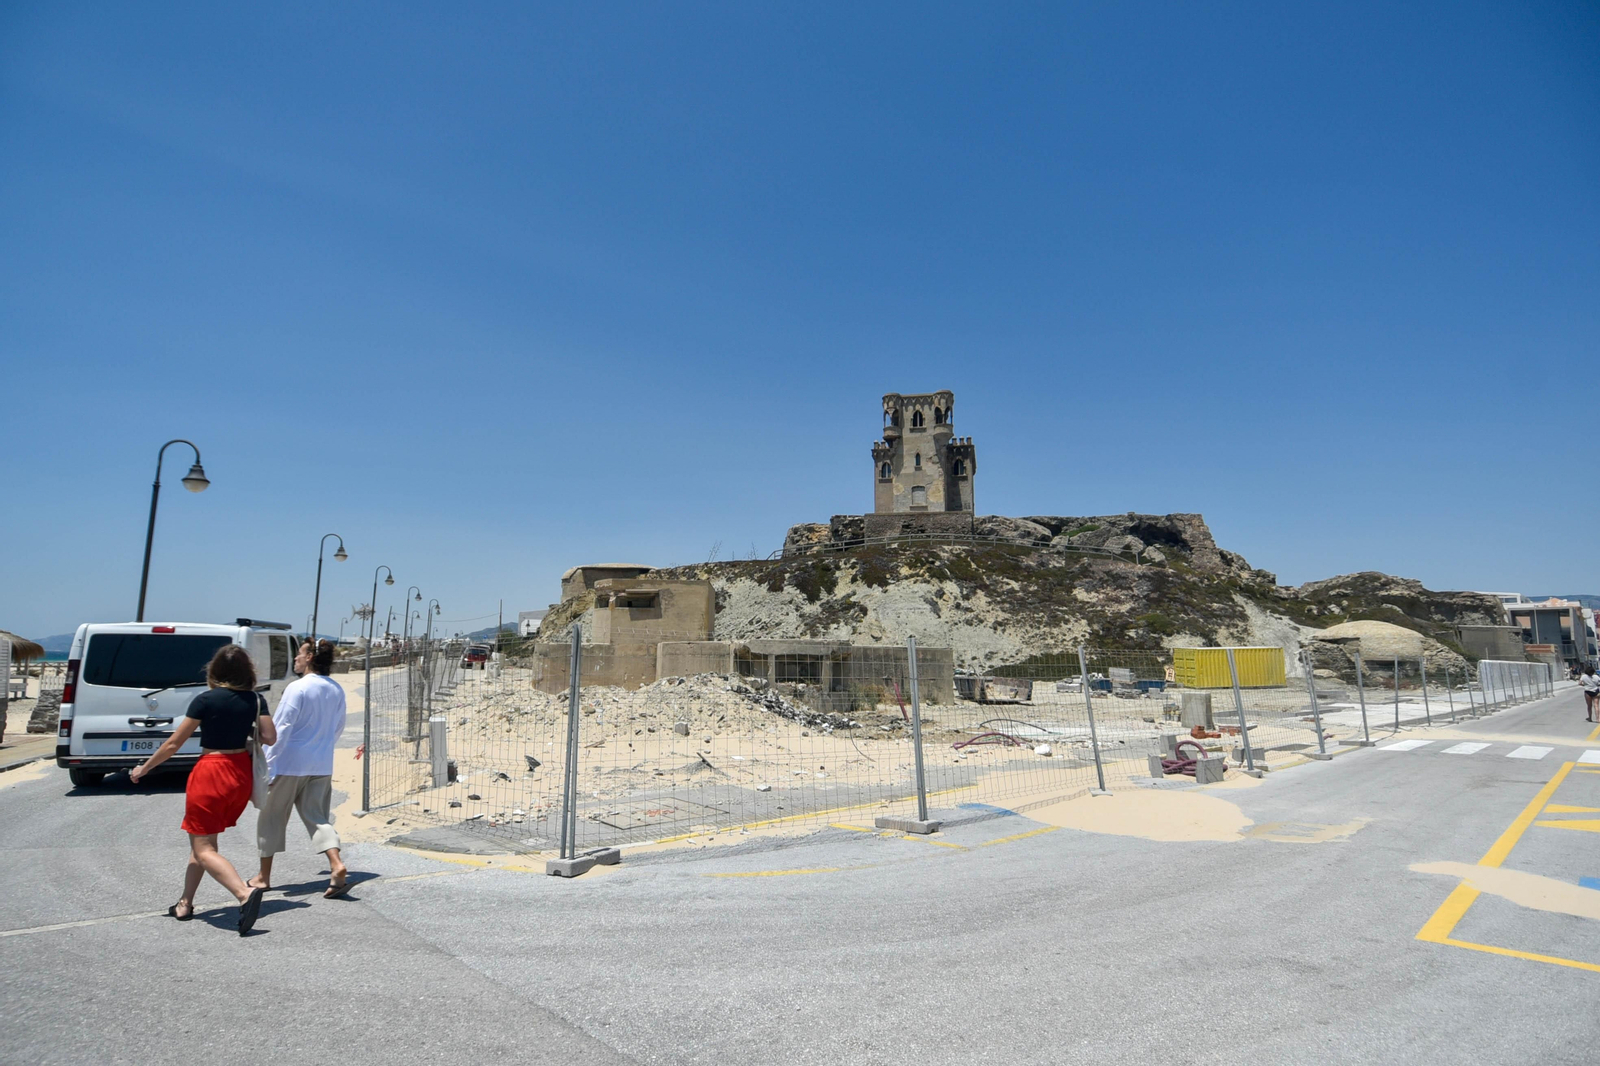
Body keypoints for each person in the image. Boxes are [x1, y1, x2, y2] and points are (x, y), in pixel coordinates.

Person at [131, 644, 274, 935]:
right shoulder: (255, 699)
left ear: (214, 670)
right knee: (202, 844)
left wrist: (144, 768)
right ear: (247, 671)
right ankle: (185, 904)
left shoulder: (205, 700)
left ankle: (243, 893)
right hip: (239, 773)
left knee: (204, 847)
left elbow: (174, 743)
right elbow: (269, 737)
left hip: (211, 772)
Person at [249, 639, 351, 898]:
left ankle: (263, 877)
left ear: (310, 657)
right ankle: (336, 864)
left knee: (271, 818)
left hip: (290, 763)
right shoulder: (336, 689)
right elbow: (338, 726)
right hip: (321, 762)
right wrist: (322, 747)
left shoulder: (298, 687)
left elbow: (281, 728)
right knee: (318, 818)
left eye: (300, 654)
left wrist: (268, 764)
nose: (295, 658)